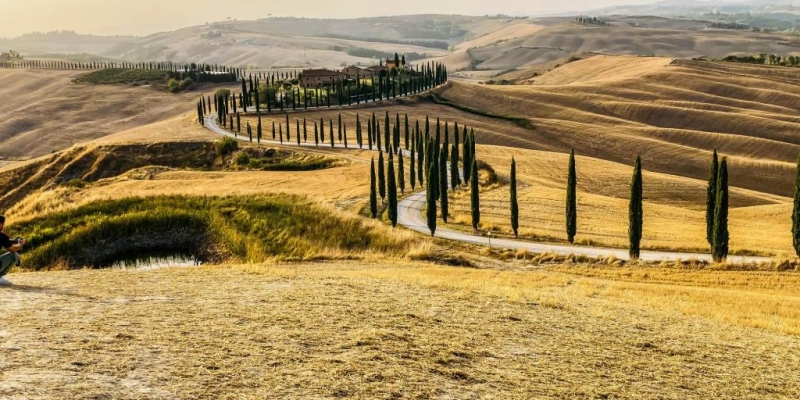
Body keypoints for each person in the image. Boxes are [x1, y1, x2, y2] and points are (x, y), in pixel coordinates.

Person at [0, 215, 24, 285]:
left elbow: (5, 241)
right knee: (14, 255)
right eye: (3, 223)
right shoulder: (2, 236)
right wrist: (21, 244)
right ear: (0, 224)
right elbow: (12, 249)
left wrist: (15, 241)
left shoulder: (2, 237)